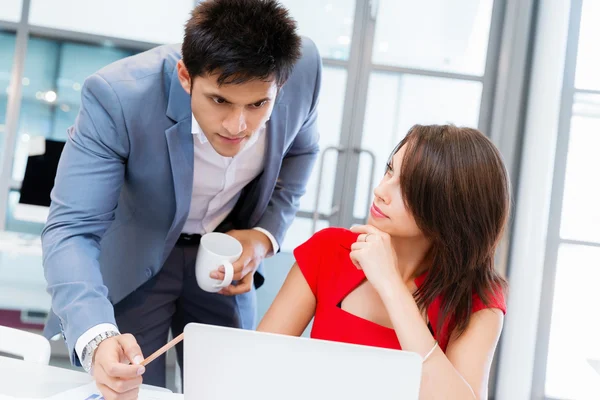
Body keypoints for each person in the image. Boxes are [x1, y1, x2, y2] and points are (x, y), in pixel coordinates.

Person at [41, 0, 321, 396]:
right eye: (220, 100)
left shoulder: (303, 69)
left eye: (258, 104)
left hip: (222, 260)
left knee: (234, 390)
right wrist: (97, 336)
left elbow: (302, 152)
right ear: (186, 76)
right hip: (137, 261)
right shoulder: (118, 96)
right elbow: (71, 228)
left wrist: (263, 235)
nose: (237, 126)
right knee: (131, 389)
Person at [258, 124, 509, 399]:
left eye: (407, 187)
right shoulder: (330, 250)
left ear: (449, 209)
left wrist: (390, 284)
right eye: (390, 170)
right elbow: (256, 364)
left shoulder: (478, 299)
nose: (380, 190)